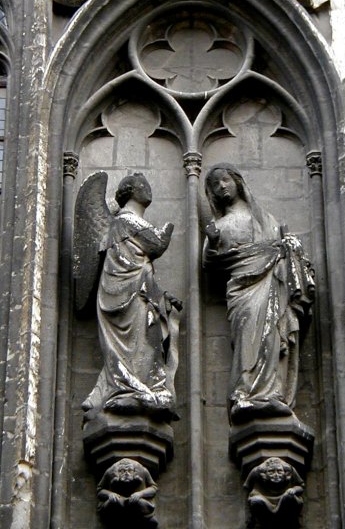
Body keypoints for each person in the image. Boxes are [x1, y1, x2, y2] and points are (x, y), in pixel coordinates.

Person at [203, 163, 314, 423]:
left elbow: (280, 247)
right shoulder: (218, 226)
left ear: (237, 181)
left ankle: (270, 392)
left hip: (271, 283)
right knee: (248, 335)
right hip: (242, 290)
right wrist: (212, 241)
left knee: (271, 334)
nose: (222, 187)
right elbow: (208, 262)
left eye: (225, 180)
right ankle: (247, 392)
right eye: (215, 185)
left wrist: (289, 248)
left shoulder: (264, 219)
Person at [82, 172, 181, 422]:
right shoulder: (125, 221)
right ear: (131, 191)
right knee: (137, 340)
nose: (148, 189)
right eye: (142, 185)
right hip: (124, 294)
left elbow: (140, 267)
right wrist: (167, 230)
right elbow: (156, 244)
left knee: (147, 339)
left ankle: (145, 386)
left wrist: (160, 295)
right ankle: (129, 388)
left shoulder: (127, 223)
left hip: (137, 291)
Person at [97, 458, 158, 527]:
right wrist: (109, 494)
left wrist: (140, 494)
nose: (126, 473)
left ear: (134, 471)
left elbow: (153, 487)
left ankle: (147, 518)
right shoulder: (109, 472)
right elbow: (99, 490)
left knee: (138, 503)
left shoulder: (142, 471)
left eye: (130, 470)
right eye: (122, 471)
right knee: (114, 502)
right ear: (117, 472)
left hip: (137, 502)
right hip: (117, 503)